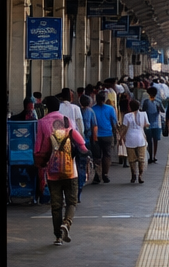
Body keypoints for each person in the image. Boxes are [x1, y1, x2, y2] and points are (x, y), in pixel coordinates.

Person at [35, 96, 87, 245]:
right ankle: (67, 222)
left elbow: (41, 147)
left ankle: (58, 236)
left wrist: (40, 164)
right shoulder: (66, 120)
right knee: (71, 201)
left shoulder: (42, 122)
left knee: (56, 205)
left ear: (46, 108)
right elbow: (79, 142)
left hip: (52, 170)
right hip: (70, 169)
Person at [58, 88, 88, 194]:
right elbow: (80, 126)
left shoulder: (58, 108)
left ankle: (64, 190)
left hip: (60, 141)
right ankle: (77, 190)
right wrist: (82, 141)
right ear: (71, 97)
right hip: (74, 141)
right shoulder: (75, 108)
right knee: (79, 165)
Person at [87, 90, 117, 184]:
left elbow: (90, 124)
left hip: (95, 136)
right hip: (107, 135)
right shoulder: (110, 109)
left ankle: (97, 175)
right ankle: (105, 175)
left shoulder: (92, 109)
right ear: (105, 99)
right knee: (107, 155)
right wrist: (115, 135)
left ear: (96, 99)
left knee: (97, 157)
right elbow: (114, 122)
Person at [121, 98, 149, 183]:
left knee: (132, 159)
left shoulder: (127, 116)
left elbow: (125, 128)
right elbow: (147, 124)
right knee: (141, 159)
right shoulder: (144, 114)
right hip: (140, 138)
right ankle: (140, 176)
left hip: (130, 139)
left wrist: (121, 137)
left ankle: (133, 175)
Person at [141, 88, 163, 164]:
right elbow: (163, 110)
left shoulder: (146, 102)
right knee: (155, 140)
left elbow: (143, 111)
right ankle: (154, 156)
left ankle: (150, 156)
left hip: (147, 124)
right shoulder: (158, 101)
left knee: (149, 140)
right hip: (157, 124)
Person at [114, 92, 132, 167]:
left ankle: (121, 158)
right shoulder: (129, 114)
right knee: (125, 144)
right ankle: (125, 161)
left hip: (120, 127)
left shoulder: (119, 110)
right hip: (126, 129)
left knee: (121, 143)